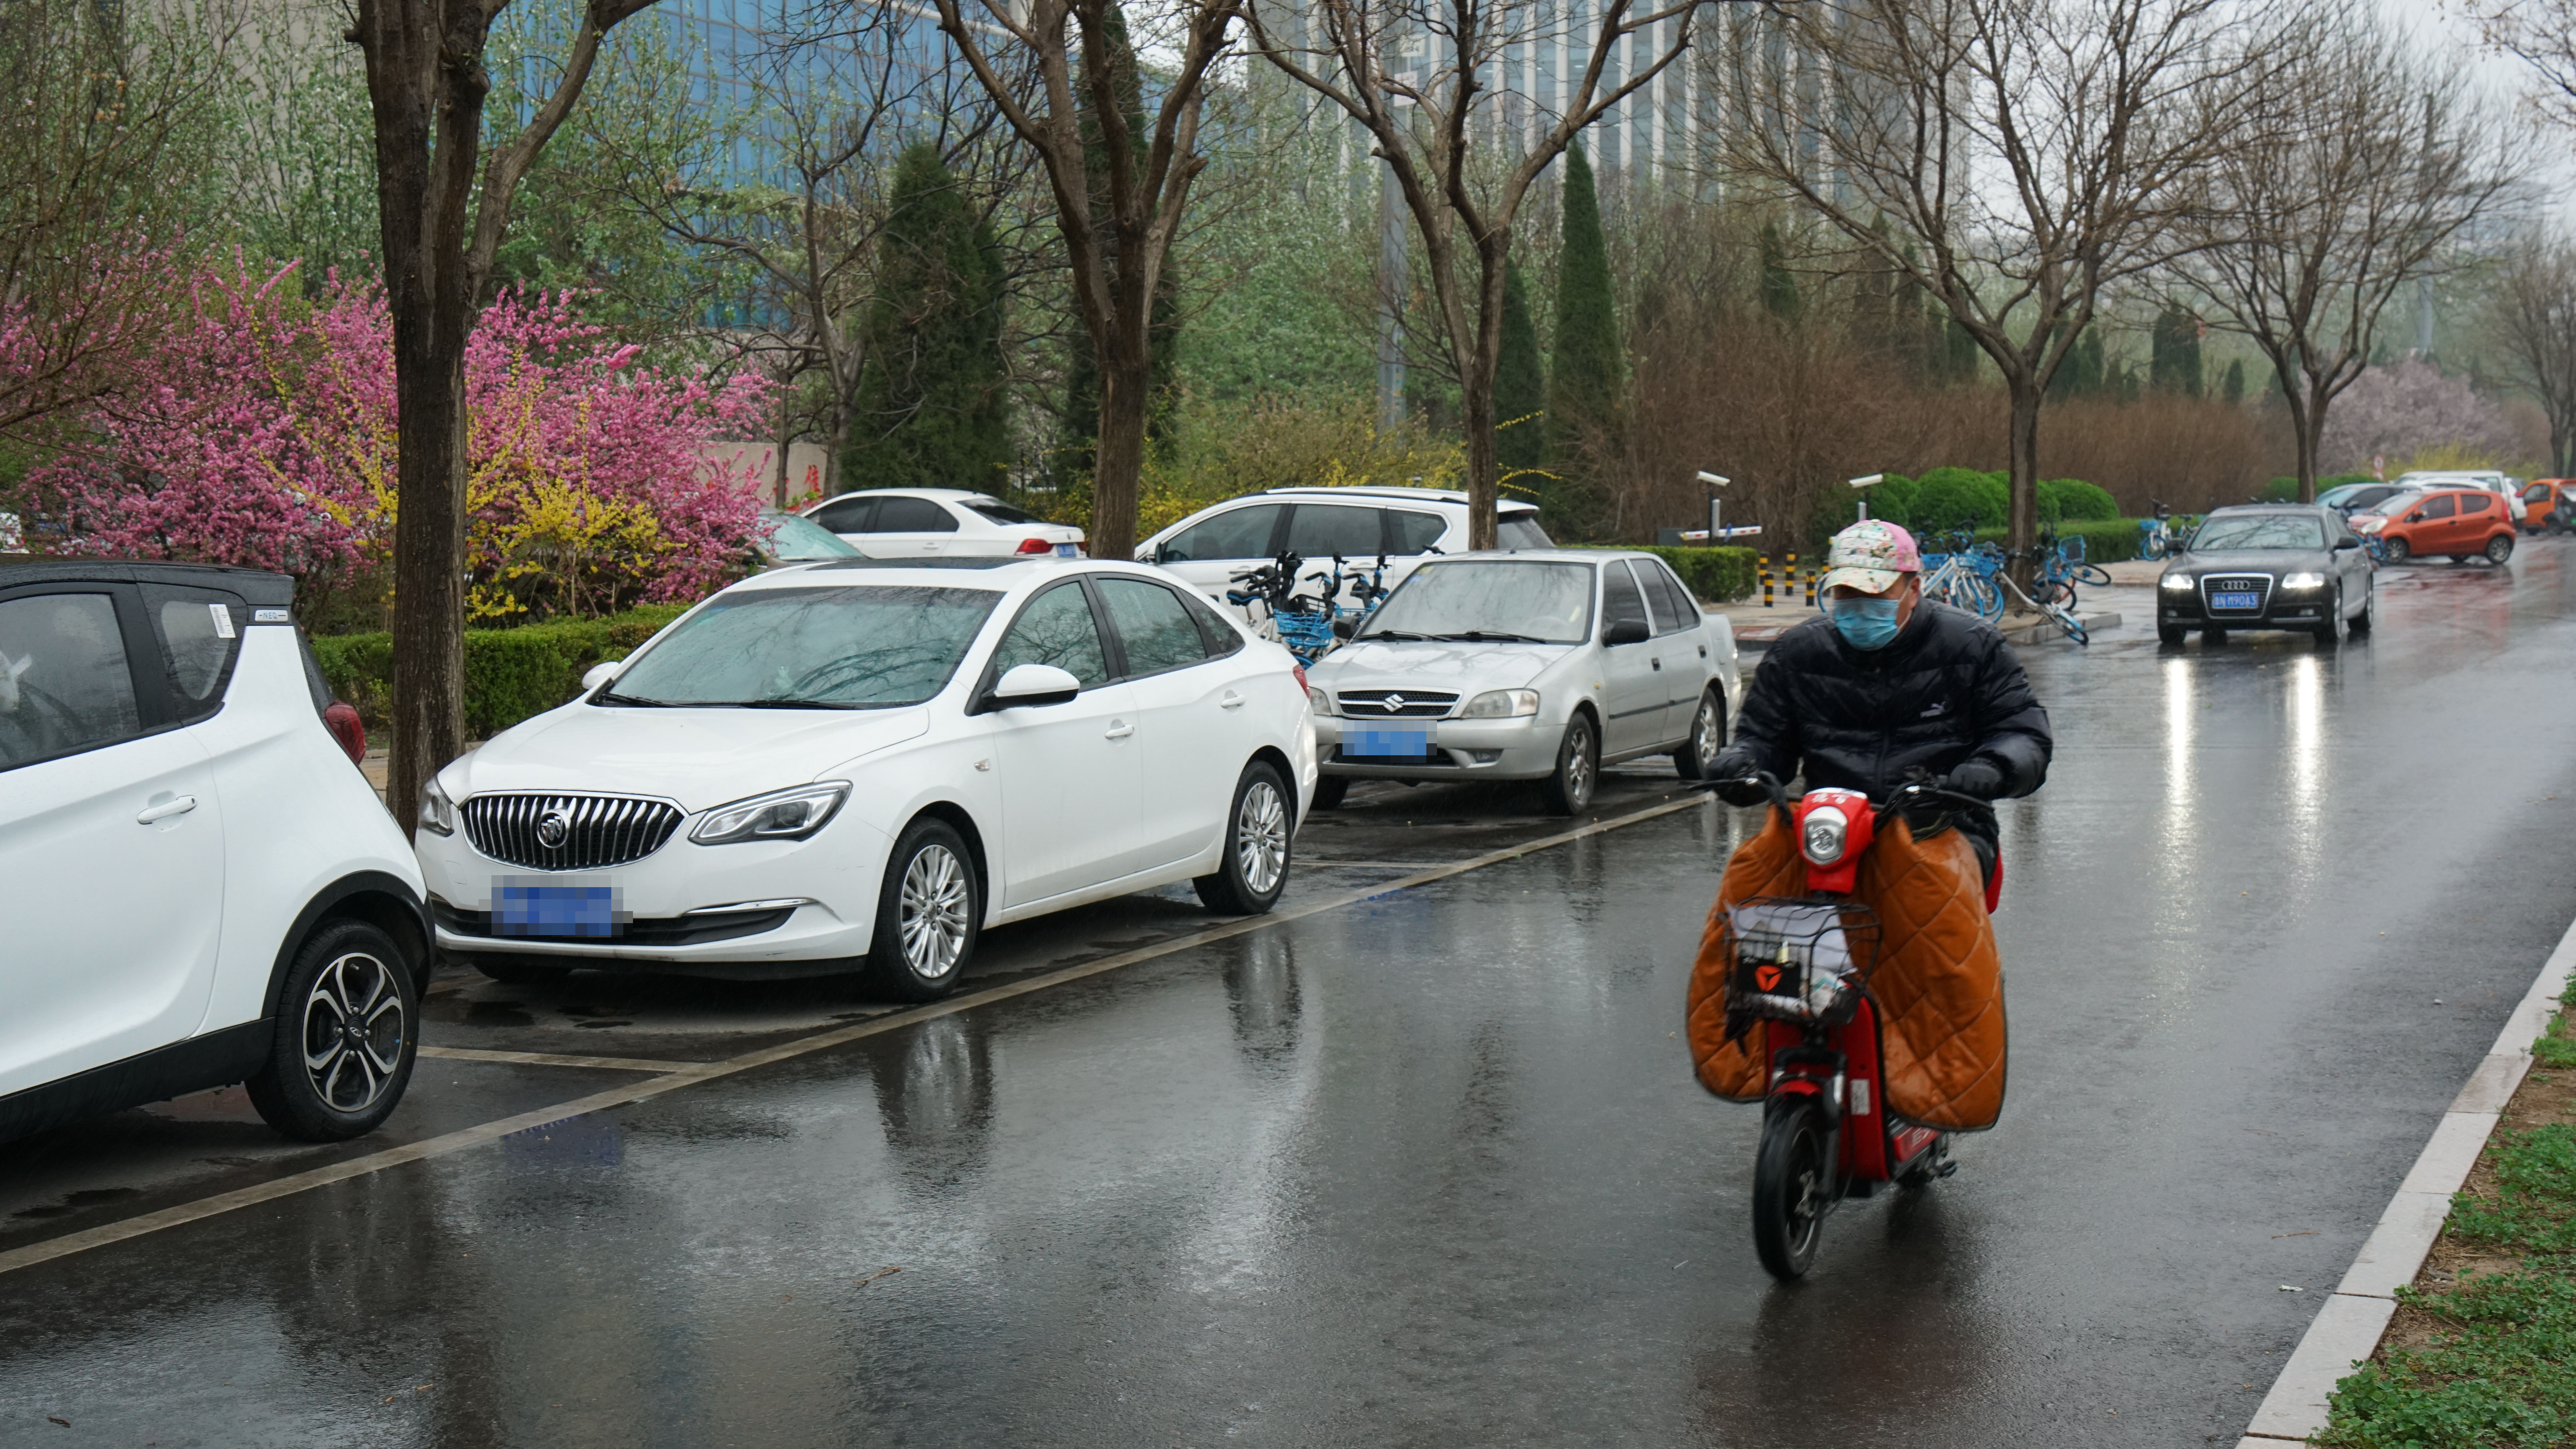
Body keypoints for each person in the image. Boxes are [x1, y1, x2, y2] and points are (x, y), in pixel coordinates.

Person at [1705, 519, 2052, 872]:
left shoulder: (1973, 645)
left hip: (1941, 829)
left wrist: (1992, 767)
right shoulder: (1796, 653)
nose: (1859, 606)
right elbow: (1764, 739)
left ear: (1913, 589)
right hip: (1825, 831)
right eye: (1845, 593)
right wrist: (1741, 765)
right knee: (1746, 891)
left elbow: (2022, 733)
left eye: (1874, 594)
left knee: (1936, 913)